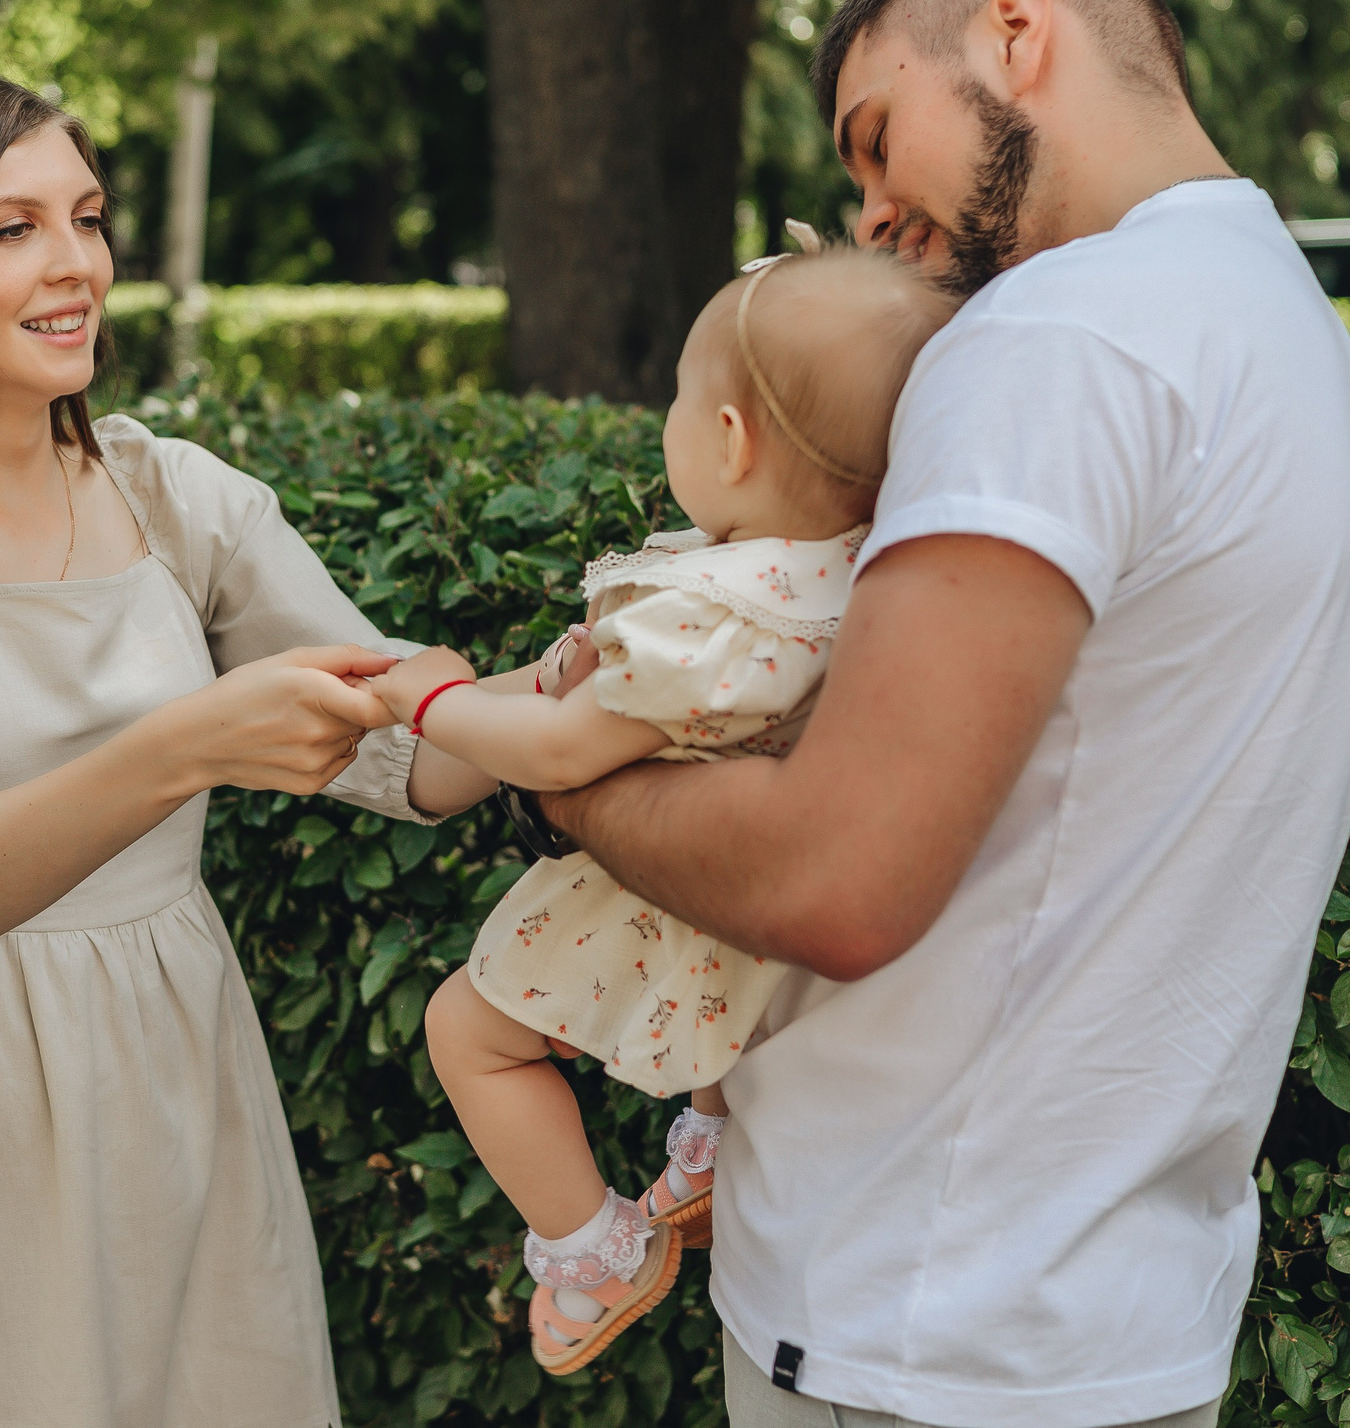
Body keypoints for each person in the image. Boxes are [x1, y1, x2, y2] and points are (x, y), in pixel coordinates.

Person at [525, 0, 1350, 1427]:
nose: (868, 214)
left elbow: (836, 877)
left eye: (875, 137)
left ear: (1015, 25)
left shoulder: (1055, 335)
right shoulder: (1281, 322)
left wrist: (569, 771)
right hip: (1111, 1312)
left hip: (914, 1319)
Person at [0, 71, 497, 1428]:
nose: (75, 263)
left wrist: (603, 678)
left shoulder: (172, 493)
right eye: (13, 228)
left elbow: (409, 751)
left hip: (178, 1070)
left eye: (87, 215)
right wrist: (186, 743)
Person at [364, 249, 953, 1376]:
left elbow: (557, 751)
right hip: (765, 908)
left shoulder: (703, 611)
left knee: (470, 1035)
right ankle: (703, 1150)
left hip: (670, 887)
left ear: (728, 441)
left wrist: (428, 700)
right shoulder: (846, 571)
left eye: (681, 400)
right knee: (723, 1025)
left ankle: (592, 1246)